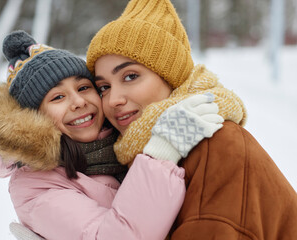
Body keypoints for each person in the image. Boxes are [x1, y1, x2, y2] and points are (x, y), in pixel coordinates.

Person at [0, 30, 224, 240]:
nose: (79, 101)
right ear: (32, 120)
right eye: (58, 97)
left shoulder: (122, 140)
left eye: (83, 87)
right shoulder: (36, 187)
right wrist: (163, 151)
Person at [85, 0, 297, 239]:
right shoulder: (130, 157)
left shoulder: (216, 144)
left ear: (171, 78)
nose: (113, 100)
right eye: (103, 87)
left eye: (131, 76)